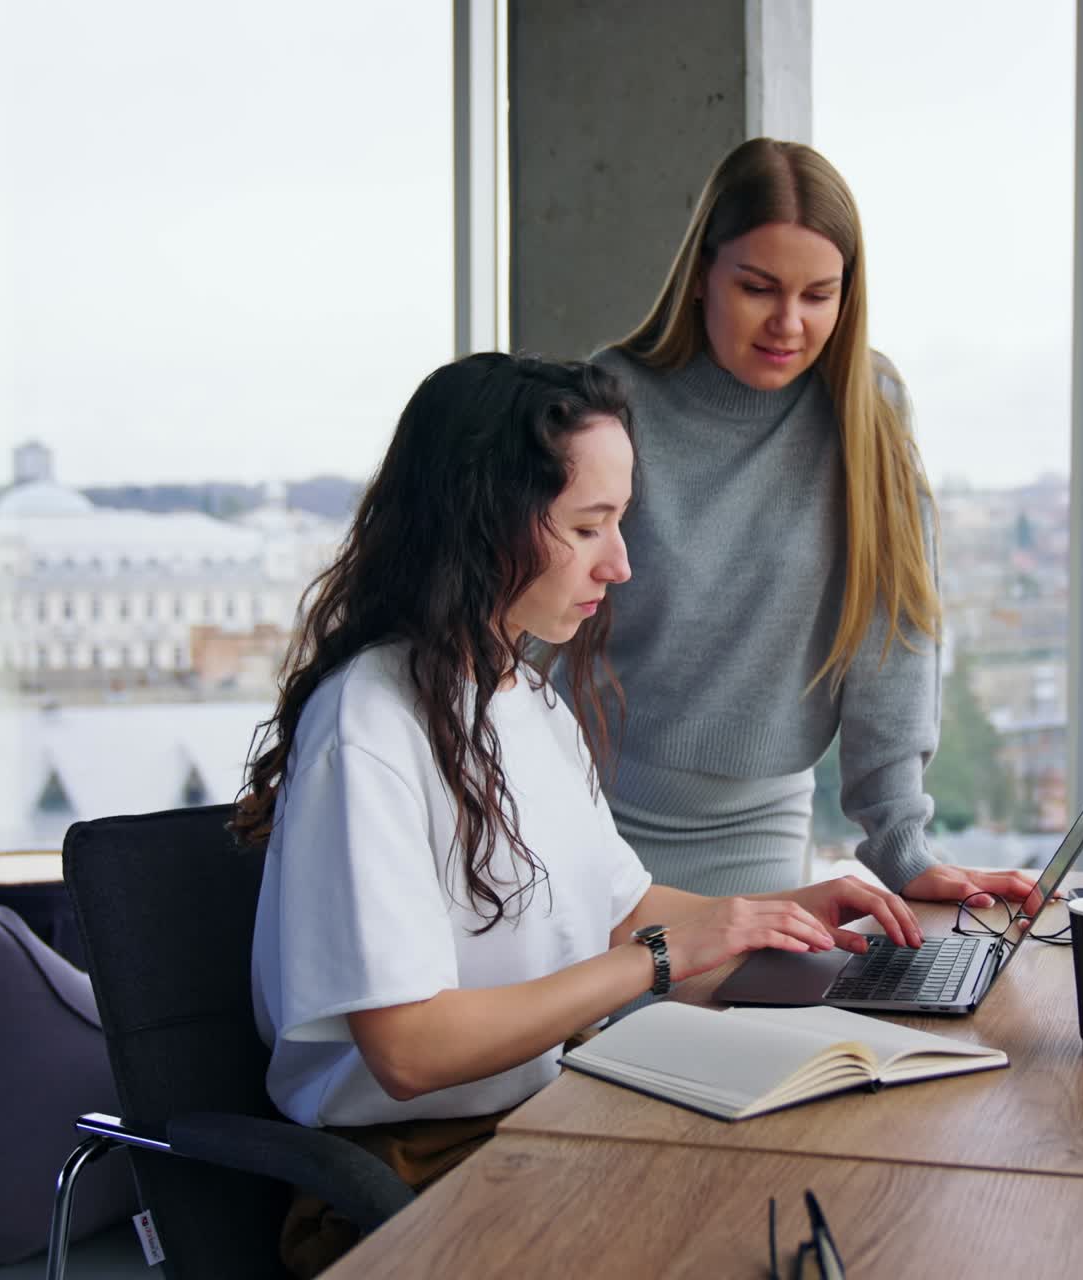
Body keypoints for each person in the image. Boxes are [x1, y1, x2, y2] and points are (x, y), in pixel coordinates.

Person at [237, 352, 923, 1277]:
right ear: (484, 526)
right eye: (587, 525)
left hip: (546, 1124)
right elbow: (408, 1048)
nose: (623, 561)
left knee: (844, 1204)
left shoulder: (525, 697)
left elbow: (622, 912)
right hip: (407, 1182)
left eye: (621, 521)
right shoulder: (368, 730)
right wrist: (657, 960)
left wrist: (801, 922)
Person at [574, 137, 1037, 908]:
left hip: (763, 830)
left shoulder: (868, 410)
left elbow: (896, 633)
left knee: (758, 1025)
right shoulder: (611, 397)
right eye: (758, 287)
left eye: (819, 295)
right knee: (617, 1026)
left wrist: (903, 844)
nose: (788, 323)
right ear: (700, 275)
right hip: (589, 815)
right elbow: (530, 612)